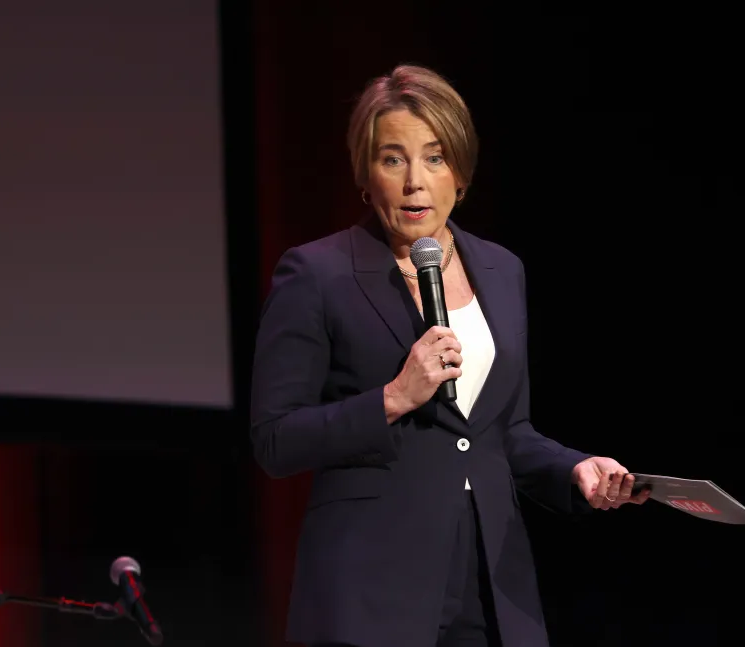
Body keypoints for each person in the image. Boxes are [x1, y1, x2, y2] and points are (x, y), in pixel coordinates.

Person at [249, 64, 649, 647]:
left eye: (435, 157)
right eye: (393, 158)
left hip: (490, 580)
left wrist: (574, 468)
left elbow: (503, 432)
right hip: (371, 587)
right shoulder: (317, 274)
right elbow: (275, 440)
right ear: (366, 175)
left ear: (461, 172)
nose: (415, 182)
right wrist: (393, 398)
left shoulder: (501, 270)